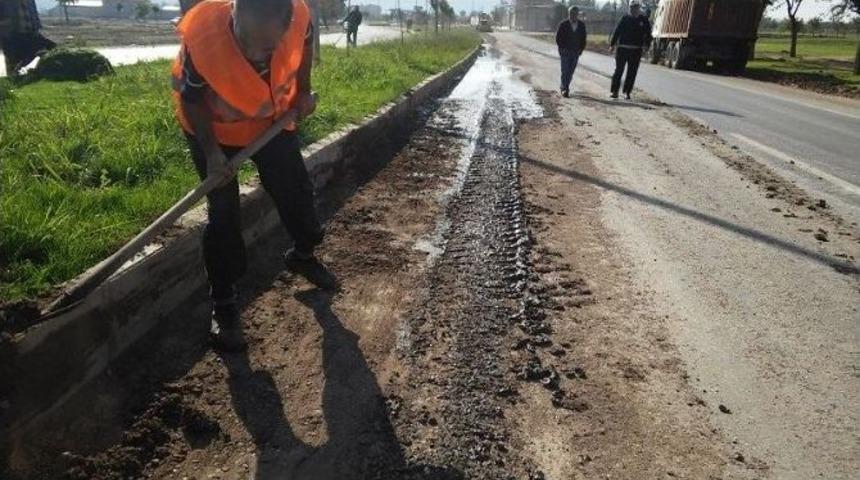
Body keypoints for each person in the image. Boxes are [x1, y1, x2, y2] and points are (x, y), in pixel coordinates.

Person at [171, 0, 336, 352]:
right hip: (213, 130)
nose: (254, 55)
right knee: (224, 210)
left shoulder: (299, 17)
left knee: (294, 188)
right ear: (234, 15)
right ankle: (225, 302)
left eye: (266, 46)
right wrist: (213, 155)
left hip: (270, 120)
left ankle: (303, 255)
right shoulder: (203, 37)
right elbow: (191, 99)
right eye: (246, 41)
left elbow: (306, 40)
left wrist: (303, 90)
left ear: (285, 26)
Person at [609, 0, 651, 100]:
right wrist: (612, 45)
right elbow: (617, 31)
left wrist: (647, 46)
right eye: (632, 8)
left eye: (635, 8)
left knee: (632, 72)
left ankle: (627, 92)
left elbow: (648, 34)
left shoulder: (644, 20)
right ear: (630, 8)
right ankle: (614, 91)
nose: (633, 9)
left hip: (636, 50)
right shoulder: (625, 18)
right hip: (622, 48)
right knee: (618, 71)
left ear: (638, 9)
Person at [0, 0, 55, 76]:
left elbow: (34, 14)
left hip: (31, 35)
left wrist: (37, 27)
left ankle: (42, 73)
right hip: (12, 35)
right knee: (14, 63)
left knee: (51, 48)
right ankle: (13, 80)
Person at [555, 6, 587, 98]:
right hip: (565, 51)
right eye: (571, 14)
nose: (573, 15)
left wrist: (581, 49)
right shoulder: (563, 24)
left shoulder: (581, 25)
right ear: (569, 14)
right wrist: (562, 48)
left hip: (575, 52)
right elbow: (558, 38)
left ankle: (564, 85)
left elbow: (583, 38)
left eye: (575, 14)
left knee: (570, 71)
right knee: (565, 70)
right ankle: (565, 88)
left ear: (577, 14)